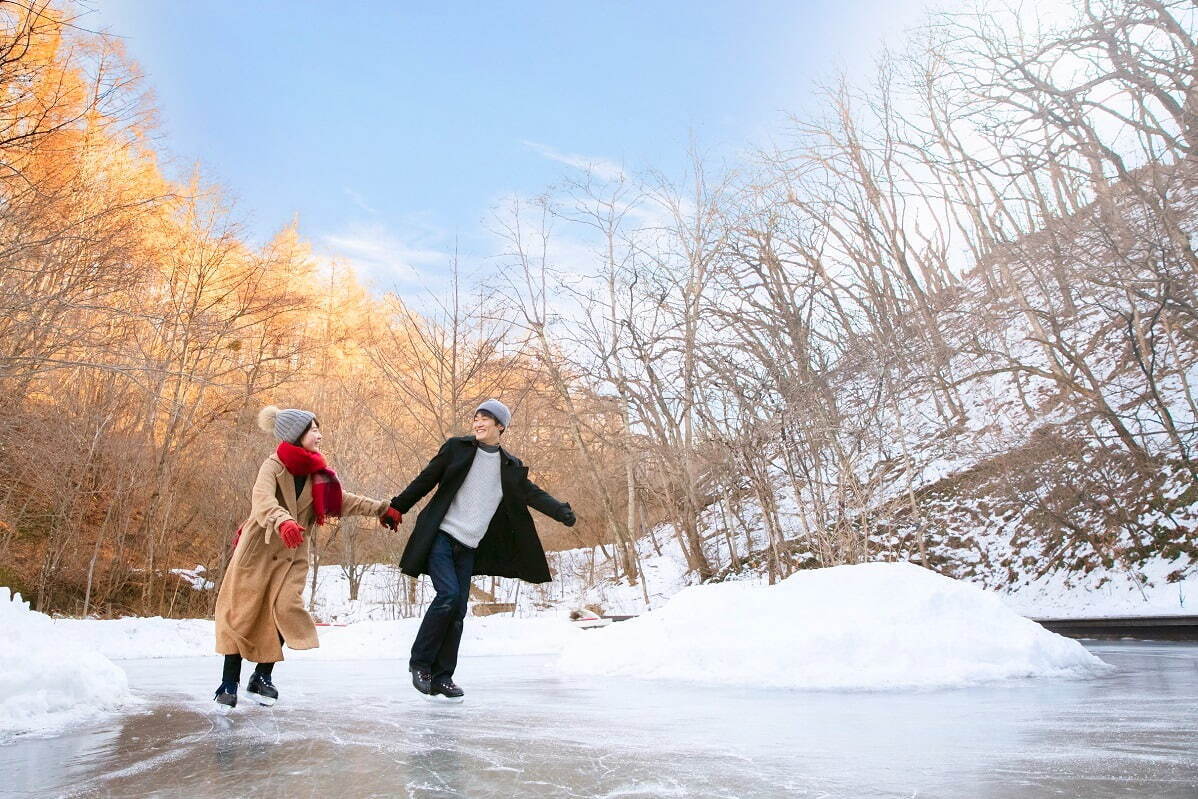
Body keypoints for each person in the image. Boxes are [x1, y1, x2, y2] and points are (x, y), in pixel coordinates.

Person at [382, 398, 576, 700]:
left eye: (486, 418)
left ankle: (443, 676)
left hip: (469, 546)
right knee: (447, 596)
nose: (478, 422)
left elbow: (533, 494)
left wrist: (561, 511)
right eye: (476, 417)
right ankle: (420, 664)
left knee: (458, 611)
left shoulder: (509, 467)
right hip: (442, 536)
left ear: (500, 426)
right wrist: (397, 507)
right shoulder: (457, 448)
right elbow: (427, 479)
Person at [212, 405, 393, 710]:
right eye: (313, 430)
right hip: (259, 550)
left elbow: (341, 501)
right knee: (243, 613)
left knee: (287, 609)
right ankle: (229, 682)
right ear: (297, 435)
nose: (319, 435)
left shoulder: (317, 473)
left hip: (293, 556)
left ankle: (262, 677)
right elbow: (262, 500)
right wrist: (283, 520)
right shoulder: (272, 467)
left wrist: (381, 508)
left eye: (318, 429)